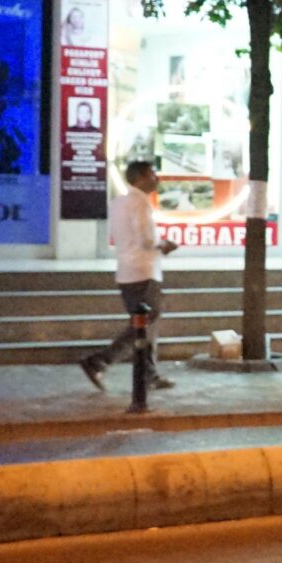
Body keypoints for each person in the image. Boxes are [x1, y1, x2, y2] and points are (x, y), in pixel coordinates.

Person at [80, 159, 178, 391]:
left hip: (126, 272)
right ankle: (100, 360)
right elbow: (147, 240)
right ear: (140, 178)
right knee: (143, 324)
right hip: (143, 271)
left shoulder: (118, 202)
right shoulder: (140, 204)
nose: (157, 178)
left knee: (146, 326)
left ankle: (149, 375)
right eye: (152, 173)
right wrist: (164, 245)